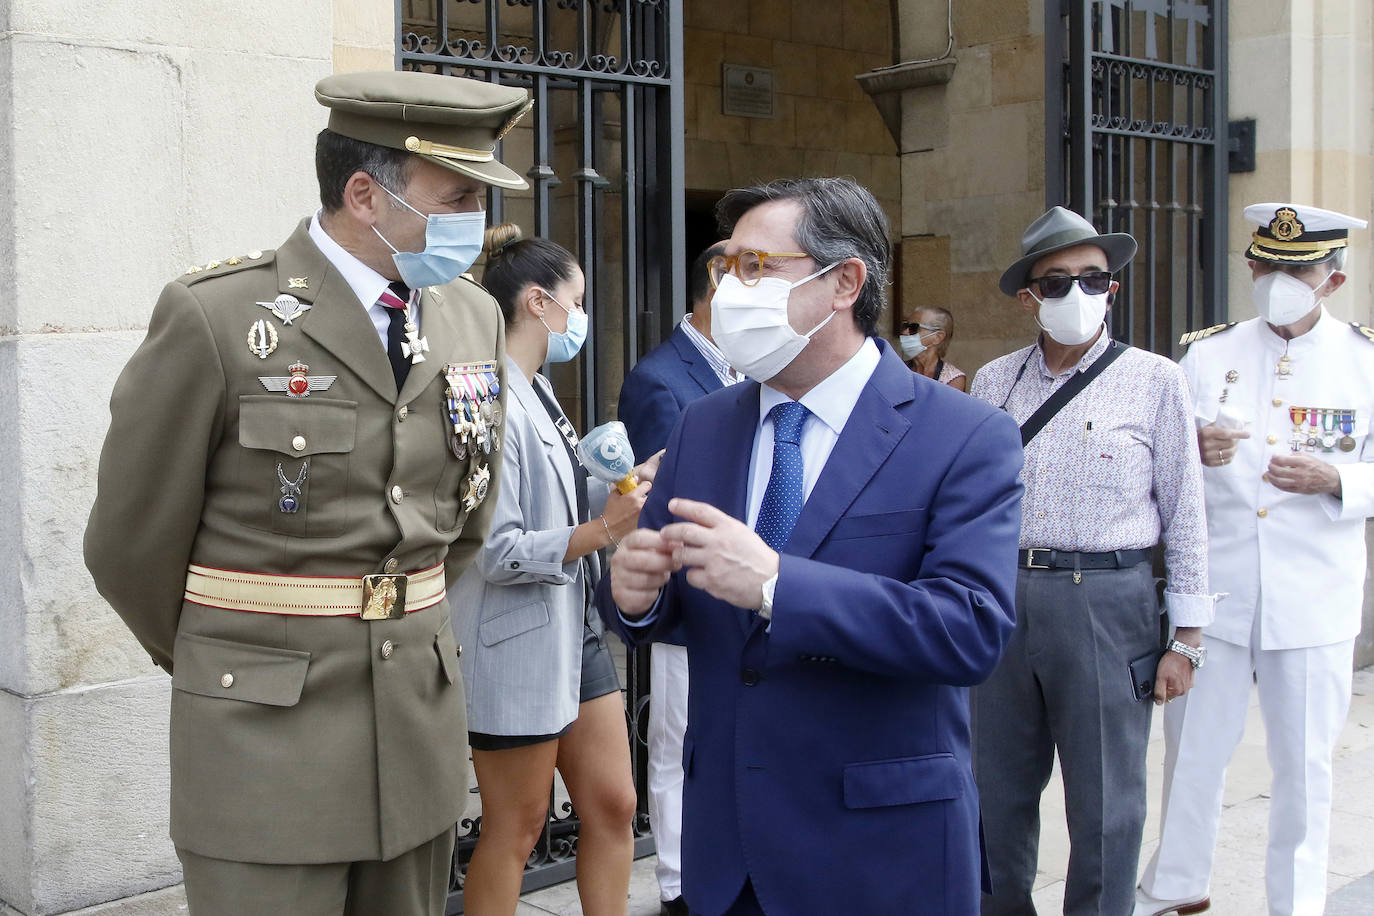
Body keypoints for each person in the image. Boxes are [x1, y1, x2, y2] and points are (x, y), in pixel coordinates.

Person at [83, 71, 531, 914]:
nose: (474, 219)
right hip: (262, 741)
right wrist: (237, 655)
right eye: (458, 195)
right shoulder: (216, 316)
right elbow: (126, 548)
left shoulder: (469, 316)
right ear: (365, 193)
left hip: (416, 731)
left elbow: (460, 521)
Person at [599, 176, 1025, 916]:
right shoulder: (705, 424)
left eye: (757, 268)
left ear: (844, 282)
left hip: (879, 850)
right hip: (727, 851)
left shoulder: (964, 435)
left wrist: (776, 585)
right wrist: (635, 598)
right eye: (724, 268)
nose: (732, 289)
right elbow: (674, 603)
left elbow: (970, 629)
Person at [969, 206, 1214, 916]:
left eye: (1092, 279)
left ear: (1113, 289)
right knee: (994, 791)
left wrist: (1189, 639)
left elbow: (1186, 510)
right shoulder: (994, 383)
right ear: (1028, 297)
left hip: (1107, 600)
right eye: (1055, 282)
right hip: (1005, 596)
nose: (1075, 293)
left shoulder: (1156, 379)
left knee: (1108, 800)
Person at [1135, 203, 1374, 916]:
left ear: (1330, 281)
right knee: (1191, 754)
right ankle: (1176, 884)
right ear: (1249, 267)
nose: (1279, 280)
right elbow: (1158, 463)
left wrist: (1340, 480)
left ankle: (1296, 904)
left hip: (1314, 596)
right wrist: (1192, 450)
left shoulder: (1363, 361)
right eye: (1268, 265)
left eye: (1297, 269)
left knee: (1304, 770)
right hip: (1219, 596)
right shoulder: (1206, 353)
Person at [452, 224, 659, 916]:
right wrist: (605, 530)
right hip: (517, 640)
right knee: (518, 825)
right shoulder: (487, 397)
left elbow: (562, 502)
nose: (582, 316)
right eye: (576, 298)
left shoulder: (540, 390)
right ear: (539, 303)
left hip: (578, 629)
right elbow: (498, 549)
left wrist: (627, 487)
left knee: (613, 803)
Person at [616, 239, 733, 916]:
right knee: (681, 747)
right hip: (692, 599)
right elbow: (654, 508)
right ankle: (678, 888)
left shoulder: (748, 368)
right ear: (717, 285)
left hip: (750, 596)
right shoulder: (661, 379)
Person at [899, 306, 967, 391]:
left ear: (937, 337)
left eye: (914, 328)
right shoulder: (898, 370)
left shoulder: (953, 379)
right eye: (905, 326)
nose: (905, 332)